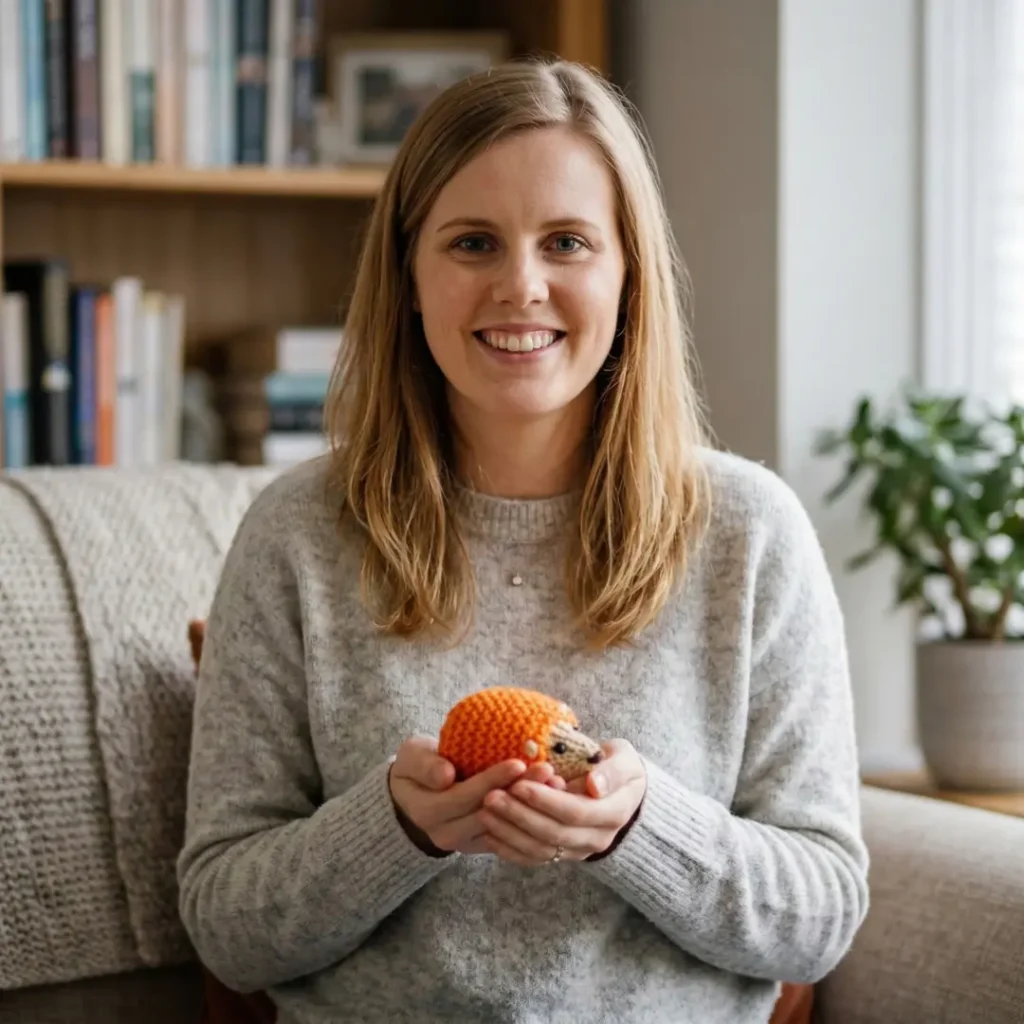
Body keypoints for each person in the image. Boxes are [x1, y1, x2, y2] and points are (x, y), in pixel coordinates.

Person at [177, 58, 870, 1024]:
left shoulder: (750, 535)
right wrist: (395, 831)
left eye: (569, 242)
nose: (522, 286)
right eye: (472, 243)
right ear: (409, 279)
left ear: (629, 275)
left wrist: (640, 826)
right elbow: (224, 923)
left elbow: (822, 915)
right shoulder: (297, 535)